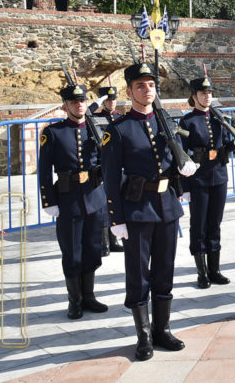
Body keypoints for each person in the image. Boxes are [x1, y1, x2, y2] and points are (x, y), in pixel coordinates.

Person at [103, 62, 195, 361]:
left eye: (151, 85)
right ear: (129, 91)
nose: (147, 90)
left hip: (167, 206)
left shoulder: (166, 121)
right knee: (139, 275)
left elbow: (175, 159)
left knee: (164, 271)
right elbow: (111, 177)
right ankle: (143, 336)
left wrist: (183, 181)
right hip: (137, 209)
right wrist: (116, 219)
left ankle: (162, 329)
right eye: (140, 86)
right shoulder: (118, 129)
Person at [37, 83, 109, 320]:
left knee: (93, 250)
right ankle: (74, 301)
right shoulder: (54, 132)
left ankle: (89, 296)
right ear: (66, 105)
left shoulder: (95, 130)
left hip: (94, 198)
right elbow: (44, 170)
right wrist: (48, 201)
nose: (79, 105)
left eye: (82, 101)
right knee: (72, 253)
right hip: (68, 200)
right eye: (74, 102)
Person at [180, 75, 235, 289]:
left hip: (219, 177)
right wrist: (184, 187)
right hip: (198, 181)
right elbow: (182, 156)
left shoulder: (218, 117)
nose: (207, 96)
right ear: (194, 96)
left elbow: (222, 149)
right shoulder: (187, 122)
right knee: (199, 226)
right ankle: (201, 272)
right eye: (203, 93)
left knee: (215, 224)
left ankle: (215, 270)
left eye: (210, 93)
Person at [92, 86, 124, 255]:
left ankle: (114, 240)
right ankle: (104, 243)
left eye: (113, 99)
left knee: (117, 202)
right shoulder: (96, 118)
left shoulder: (120, 118)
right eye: (108, 99)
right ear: (103, 101)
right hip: (102, 164)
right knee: (104, 205)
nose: (111, 102)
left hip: (119, 164)